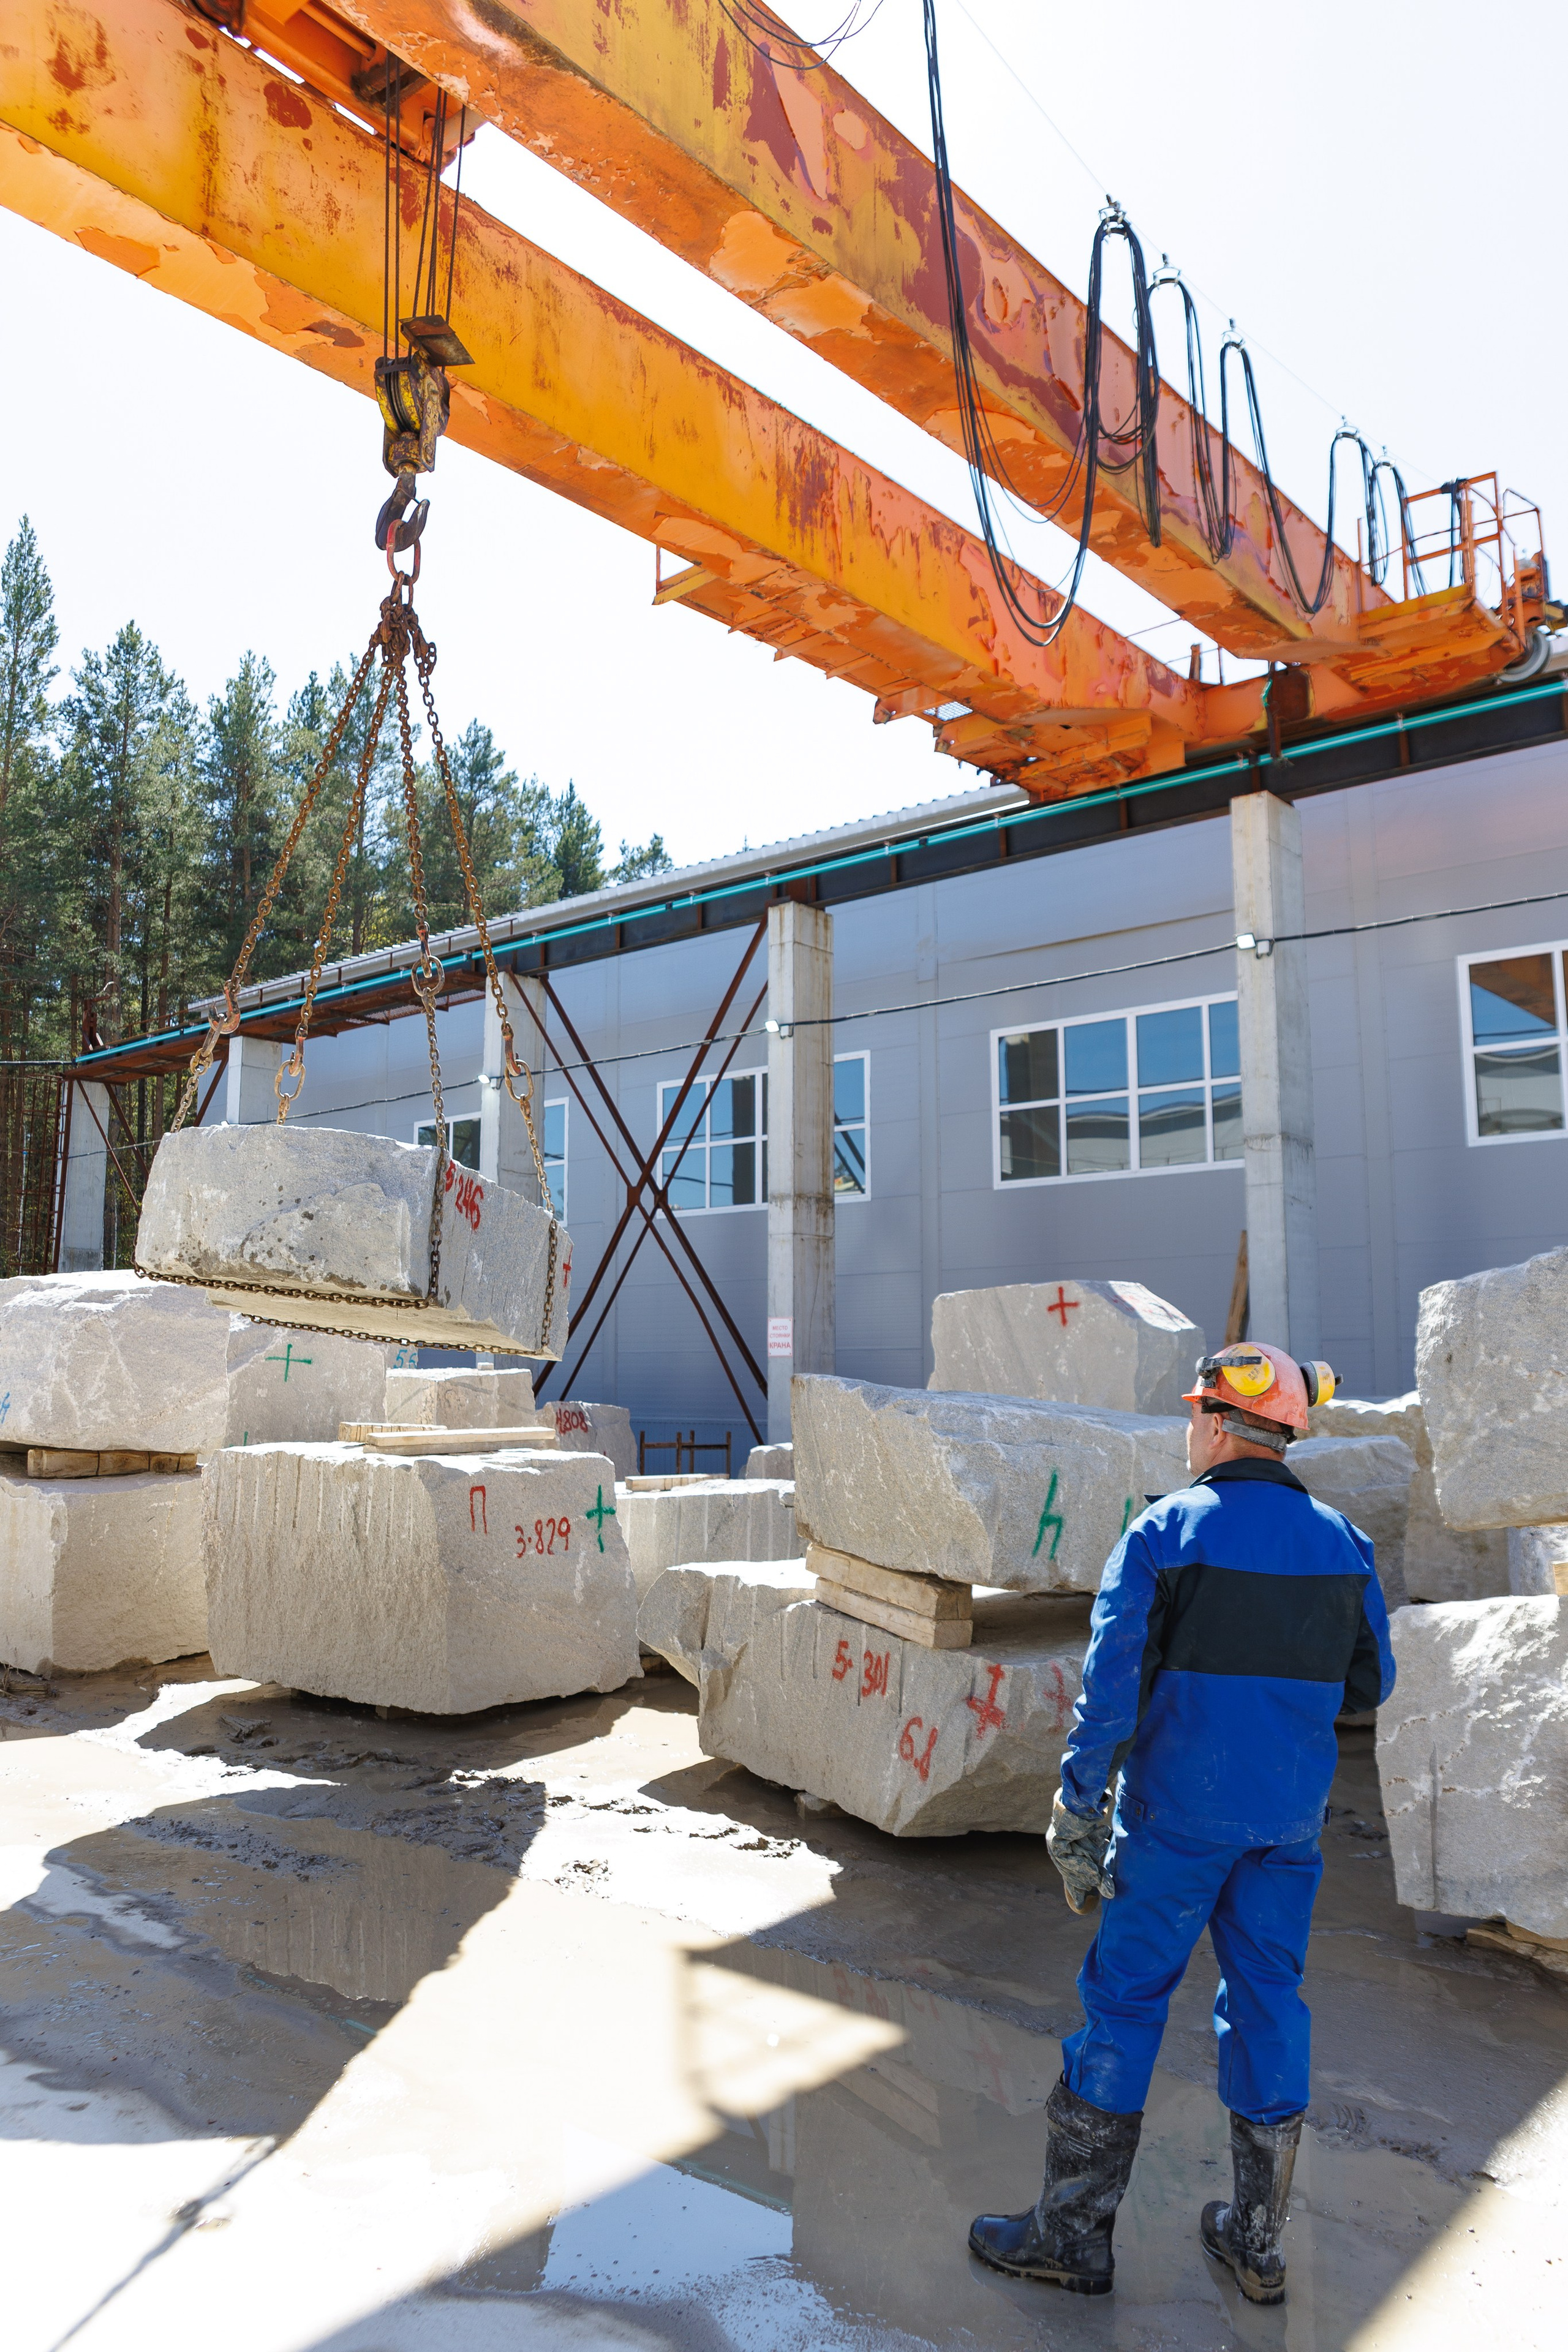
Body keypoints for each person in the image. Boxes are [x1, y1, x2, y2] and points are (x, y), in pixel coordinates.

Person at [968, 1342, 1395, 2305]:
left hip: (1174, 1824)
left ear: (1211, 1422)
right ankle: (1257, 2244)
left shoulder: (1164, 1534)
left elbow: (1109, 1699)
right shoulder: (1345, 1543)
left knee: (1125, 2005)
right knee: (1269, 2002)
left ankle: (1071, 2237)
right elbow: (1373, 1683)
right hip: (1285, 1824)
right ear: (1287, 1434)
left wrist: (1078, 1806)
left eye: (1190, 1414)